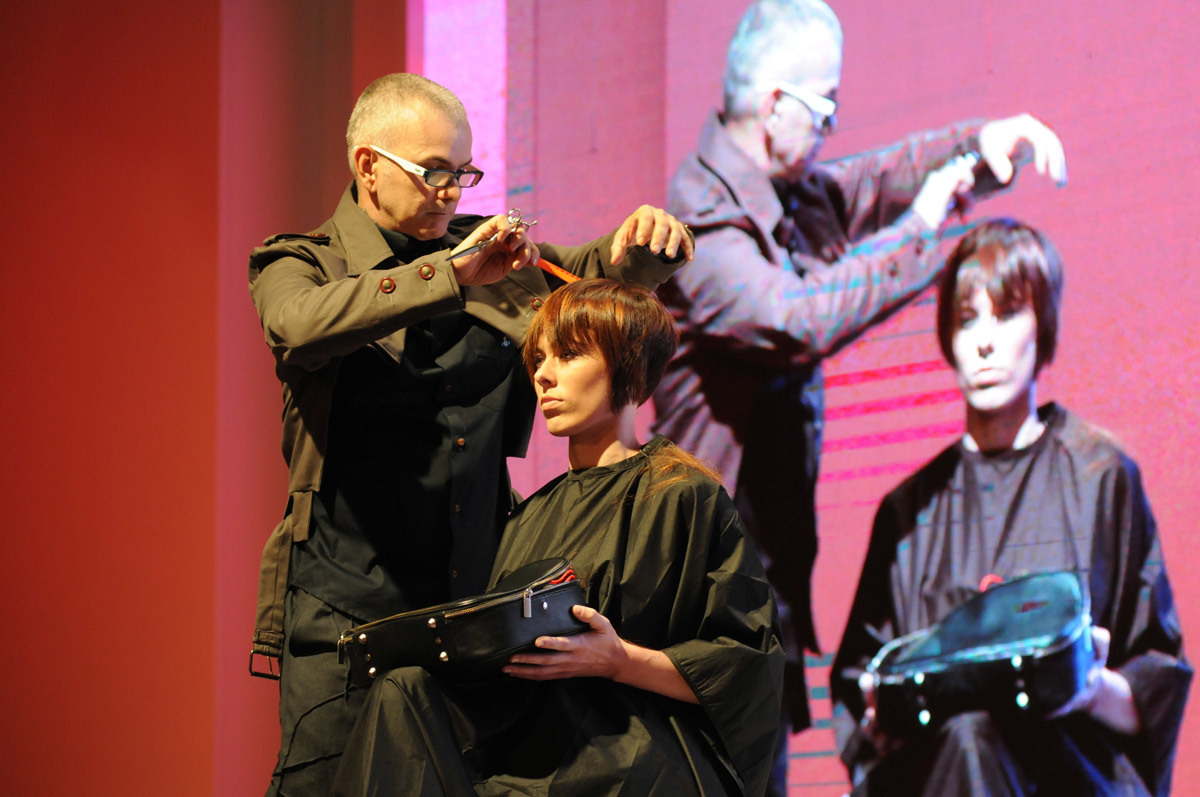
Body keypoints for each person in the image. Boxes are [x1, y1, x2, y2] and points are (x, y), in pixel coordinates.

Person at [650, 1, 1069, 784]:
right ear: (775, 105)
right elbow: (791, 319)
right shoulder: (701, 226)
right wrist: (917, 230)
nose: (835, 124)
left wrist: (976, 148)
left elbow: (871, 179)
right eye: (825, 106)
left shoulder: (784, 192)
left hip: (756, 599)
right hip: (696, 606)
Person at [247, 73, 694, 795]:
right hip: (343, 625)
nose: (453, 193)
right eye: (434, 174)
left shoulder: (493, 258)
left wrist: (642, 251)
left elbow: (579, 274)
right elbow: (296, 323)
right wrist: (448, 275)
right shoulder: (301, 261)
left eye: (463, 173)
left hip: (472, 618)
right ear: (368, 166)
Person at [332, 279, 785, 796]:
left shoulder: (680, 493)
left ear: (630, 365)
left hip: (630, 753)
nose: (544, 376)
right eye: (539, 357)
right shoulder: (529, 516)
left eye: (569, 355)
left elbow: (748, 667)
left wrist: (619, 660)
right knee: (403, 692)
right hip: (528, 748)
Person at [829, 218, 1191, 795]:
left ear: (1043, 325)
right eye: (966, 320)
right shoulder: (907, 512)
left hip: (1068, 774)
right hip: (940, 776)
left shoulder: (1101, 477)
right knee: (970, 736)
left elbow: (1152, 686)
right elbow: (862, 702)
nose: (985, 341)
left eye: (1006, 314)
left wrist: (1086, 685)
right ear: (947, 339)